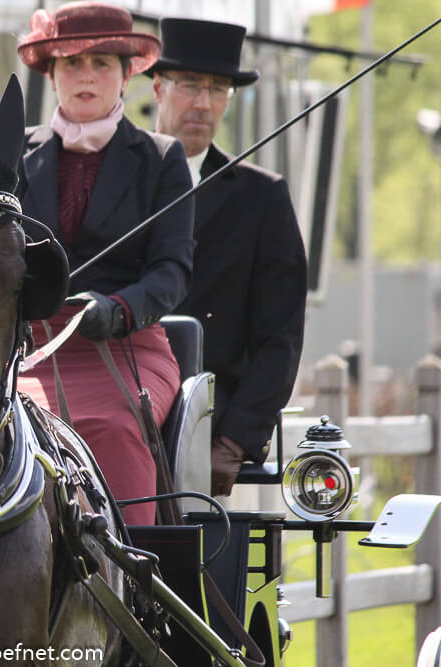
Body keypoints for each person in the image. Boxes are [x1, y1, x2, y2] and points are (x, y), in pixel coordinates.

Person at [15, 1, 195, 525]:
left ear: (126, 74)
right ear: (52, 74)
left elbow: (172, 271)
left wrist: (118, 310)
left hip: (125, 346)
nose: (87, 76)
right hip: (31, 348)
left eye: (101, 63)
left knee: (115, 426)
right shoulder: (12, 157)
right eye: (72, 63)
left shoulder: (162, 158)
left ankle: (130, 567)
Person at [148, 18, 307, 496]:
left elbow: (280, 338)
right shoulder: (116, 180)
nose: (203, 102)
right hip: (113, 421)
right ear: (158, 88)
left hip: (211, 441)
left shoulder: (262, 197)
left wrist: (235, 441)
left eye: (218, 89)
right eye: (189, 84)